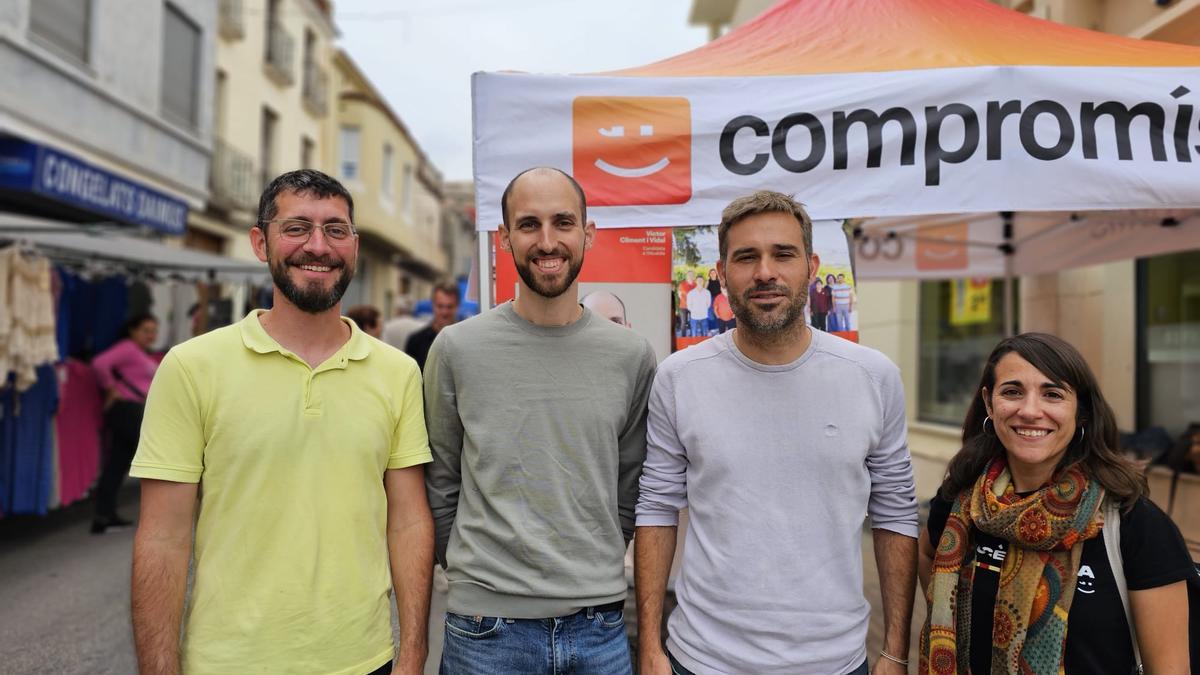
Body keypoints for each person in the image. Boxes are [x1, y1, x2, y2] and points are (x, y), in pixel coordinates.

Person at [129, 169, 434, 675]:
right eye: (297, 228)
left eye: (335, 230)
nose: (318, 245)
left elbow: (408, 522)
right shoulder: (191, 366)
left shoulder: (398, 373)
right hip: (226, 662)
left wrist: (412, 654)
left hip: (366, 661)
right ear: (260, 241)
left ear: (354, 246)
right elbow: (162, 537)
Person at [636, 190, 918, 675]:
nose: (765, 271)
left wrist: (894, 650)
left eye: (782, 254)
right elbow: (657, 506)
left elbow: (896, 512)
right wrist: (650, 646)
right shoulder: (680, 378)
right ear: (722, 273)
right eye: (746, 257)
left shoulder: (873, 376)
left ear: (810, 266)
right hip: (700, 660)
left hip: (834, 661)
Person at [424, 167, 657, 674]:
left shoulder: (631, 355)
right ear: (505, 236)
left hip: (599, 628)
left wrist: (594, 557)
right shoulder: (457, 348)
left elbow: (630, 478)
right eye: (528, 224)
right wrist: (476, 575)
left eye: (563, 222)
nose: (547, 241)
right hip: (485, 630)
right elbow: (440, 479)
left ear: (587, 233)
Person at [918, 332, 1193, 674]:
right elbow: (929, 552)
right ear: (990, 403)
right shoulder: (963, 502)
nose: (1030, 411)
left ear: (1081, 412)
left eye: (1052, 394)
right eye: (1013, 391)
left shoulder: (1134, 522)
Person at [90, 313, 160, 534]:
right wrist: (111, 388)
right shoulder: (128, 348)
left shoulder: (137, 351)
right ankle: (160, 515)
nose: (151, 335)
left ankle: (104, 515)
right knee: (156, 457)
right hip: (127, 410)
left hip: (131, 409)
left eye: (153, 331)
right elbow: (99, 363)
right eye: (146, 330)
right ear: (133, 330)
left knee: (118, 463)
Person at [404, 281, 460, 371]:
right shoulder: (415, 341)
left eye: (449, 307)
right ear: (432, 305)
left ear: (457, 306)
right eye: (440, 306)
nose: (444, 312)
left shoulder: (465, 339)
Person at [678, 271, 697, 336]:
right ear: (686, 276)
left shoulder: (696, 284)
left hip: (693, 307)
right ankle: (683, 336)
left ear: (693, 276)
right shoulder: (682, 284)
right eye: (689, 275)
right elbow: (679, 295)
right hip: (683, 307)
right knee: (683, 323)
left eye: (692, 275)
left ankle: (692, 336)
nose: (690, 276)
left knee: (693, 322)